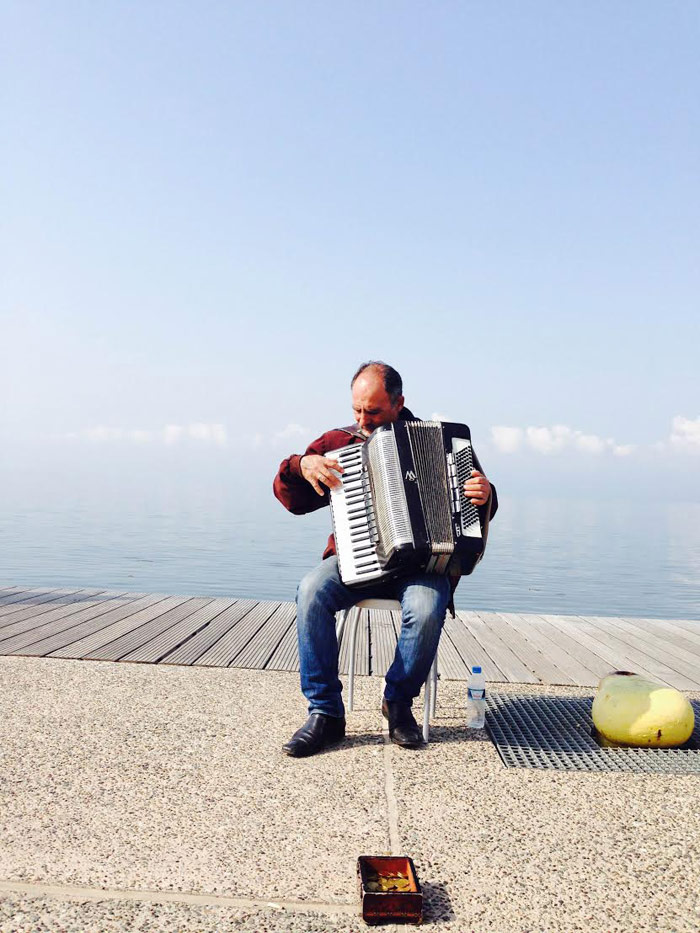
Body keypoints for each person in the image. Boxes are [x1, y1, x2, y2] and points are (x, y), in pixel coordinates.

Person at [273, 361, 497, 757]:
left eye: (373, 412)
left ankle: (397, 703)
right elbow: (293, 501)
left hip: (422, 566)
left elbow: (478, 505)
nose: (362, 420)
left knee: (428, 606)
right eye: (357, 410)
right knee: (310, 590)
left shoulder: (445, 444)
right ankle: (325, 713)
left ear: (398, 403)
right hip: (354, 557)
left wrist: (486, 493)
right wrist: (300, 464)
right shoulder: (337, 442)